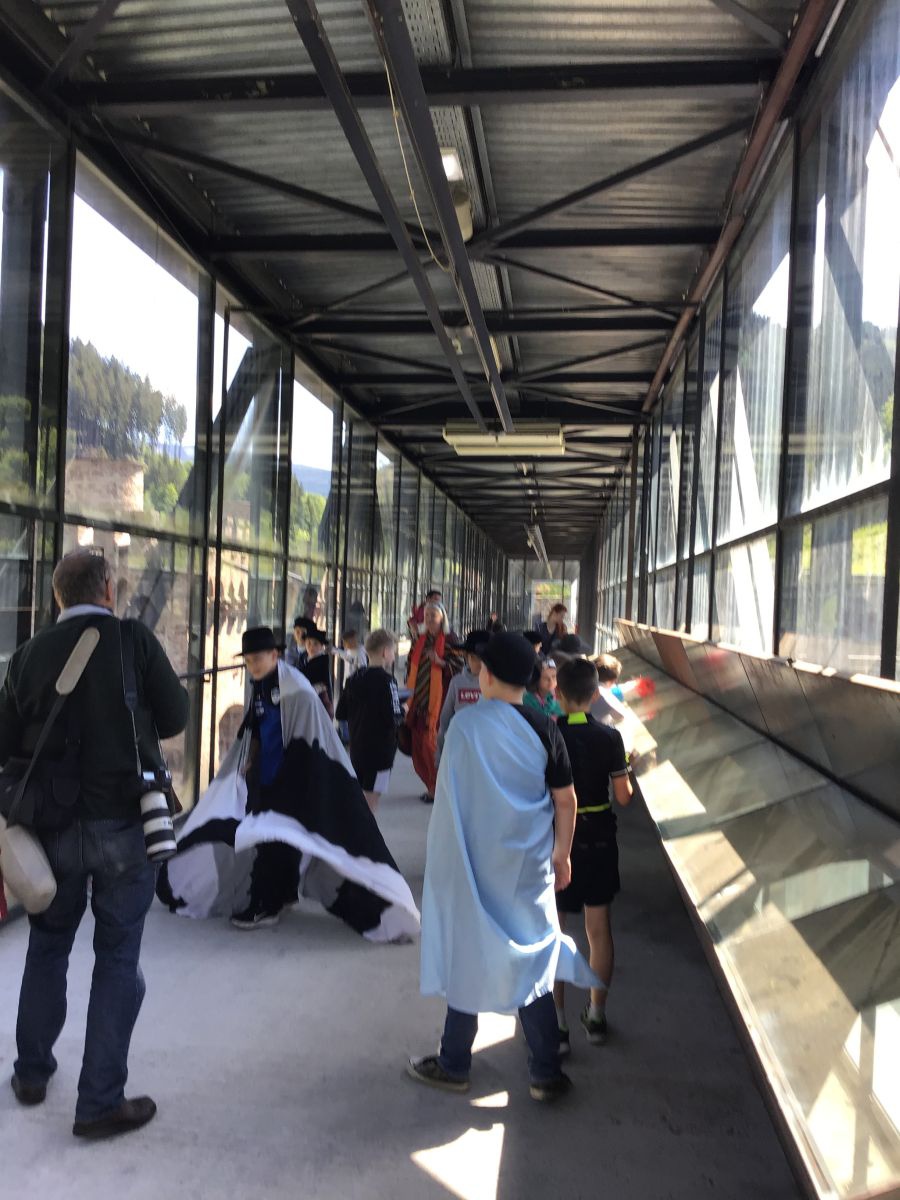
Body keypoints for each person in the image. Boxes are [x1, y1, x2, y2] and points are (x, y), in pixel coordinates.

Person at [0, 549, 189, 1140]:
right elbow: (176, 717)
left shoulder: (28, 655)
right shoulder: (133, 640)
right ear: (109, 589)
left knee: (47, 946)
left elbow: (4, 740)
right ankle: (99, 1102)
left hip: (51, 829)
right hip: (125, 825)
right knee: (117, 958)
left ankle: (32, 1073)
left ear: (59, 596)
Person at [408, 632, 595, 1103]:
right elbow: (566, 800)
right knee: (532, 956)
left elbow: (450, 799)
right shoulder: (545, 727)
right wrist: (562, 854)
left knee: (470, 953)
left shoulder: (466, 727)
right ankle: (545, 1073)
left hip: (474, 865)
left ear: (486, 675)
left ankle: (454, 1063)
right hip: (527, 868)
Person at [157, 627, 420, 943]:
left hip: (295, 781)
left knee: (288, 842)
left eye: (258, 659)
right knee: (270, 841)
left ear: (275, 655)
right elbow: (255, 727)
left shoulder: (296, 689)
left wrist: (290, 778)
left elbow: (311, 735)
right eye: (248, 660)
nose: (253, 665)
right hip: (268, 781)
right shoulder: (262, 686)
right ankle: (276, 896)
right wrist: (250, 761)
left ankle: (269, 903)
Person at [553, 656, 632, 1051]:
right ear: (595, 694)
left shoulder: (549, 733)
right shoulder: (610, 738)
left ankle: (557, 1025)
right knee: (598, 931)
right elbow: (623, 796)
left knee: (554, 932)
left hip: (558, 841)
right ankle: (597, 1015)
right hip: (600, 838)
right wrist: (627, 770)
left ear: (558, 694)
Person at [335, 629, 402, 812]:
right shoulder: (388, 681)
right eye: (393, 651)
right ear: (385, 652)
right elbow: (394, 718)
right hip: (380, 755)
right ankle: (363, 831)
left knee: (361, 799)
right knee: (370, 803)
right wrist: (404, 709)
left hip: (358, 751)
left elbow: (340, 713)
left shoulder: (353, 679)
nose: (394, 655)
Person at [404, 601, 463, 803]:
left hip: (439, 701)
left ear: (442, 618)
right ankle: (430, 784)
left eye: (433, 615)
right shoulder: (419, 640)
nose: (429, 619)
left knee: (431, 745)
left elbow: (460, 666)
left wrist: (440, 662)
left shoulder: (450, 639)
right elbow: (409, 665)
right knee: (417, 746)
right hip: (417, 699)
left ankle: (437, 787)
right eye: (427, 615)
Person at [436, 629, 488, 766]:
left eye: (484, 659)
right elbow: (445, 720)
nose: (480, 664)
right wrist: (440, 756)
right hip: (461, 749)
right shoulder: (457, 682)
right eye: (475, 658)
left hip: (486, 751)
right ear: (467, 657)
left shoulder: (496, 685)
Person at [301, 627, 334, 719]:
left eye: (315, 644)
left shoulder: (322, 661)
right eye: (309, 643)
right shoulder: (303, 659)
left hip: (319, 701)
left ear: (321, 646)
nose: (311, 647)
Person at [591, 653, 627, 727]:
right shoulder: (603, 694)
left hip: (572, 718)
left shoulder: (582, 679)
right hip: (589, 726)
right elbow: (620, 716)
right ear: (612, 681)